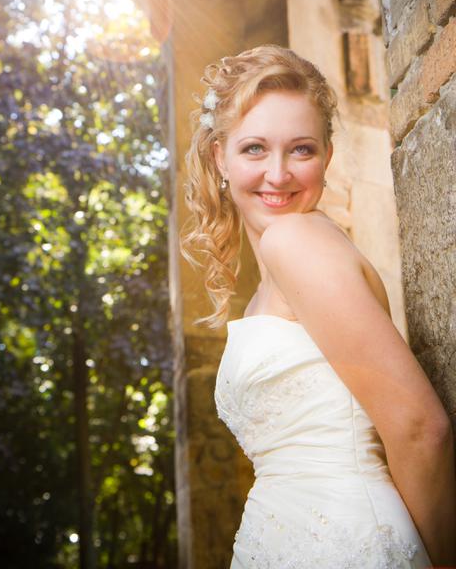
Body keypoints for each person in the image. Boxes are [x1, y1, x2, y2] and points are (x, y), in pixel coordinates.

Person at [179, 44, 456, 568]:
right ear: (220, 157)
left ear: (326, 158)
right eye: (255, 148)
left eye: (301, 150)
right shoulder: (281, 268)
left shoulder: (296, 243)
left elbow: (422, 429)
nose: (278, 174)